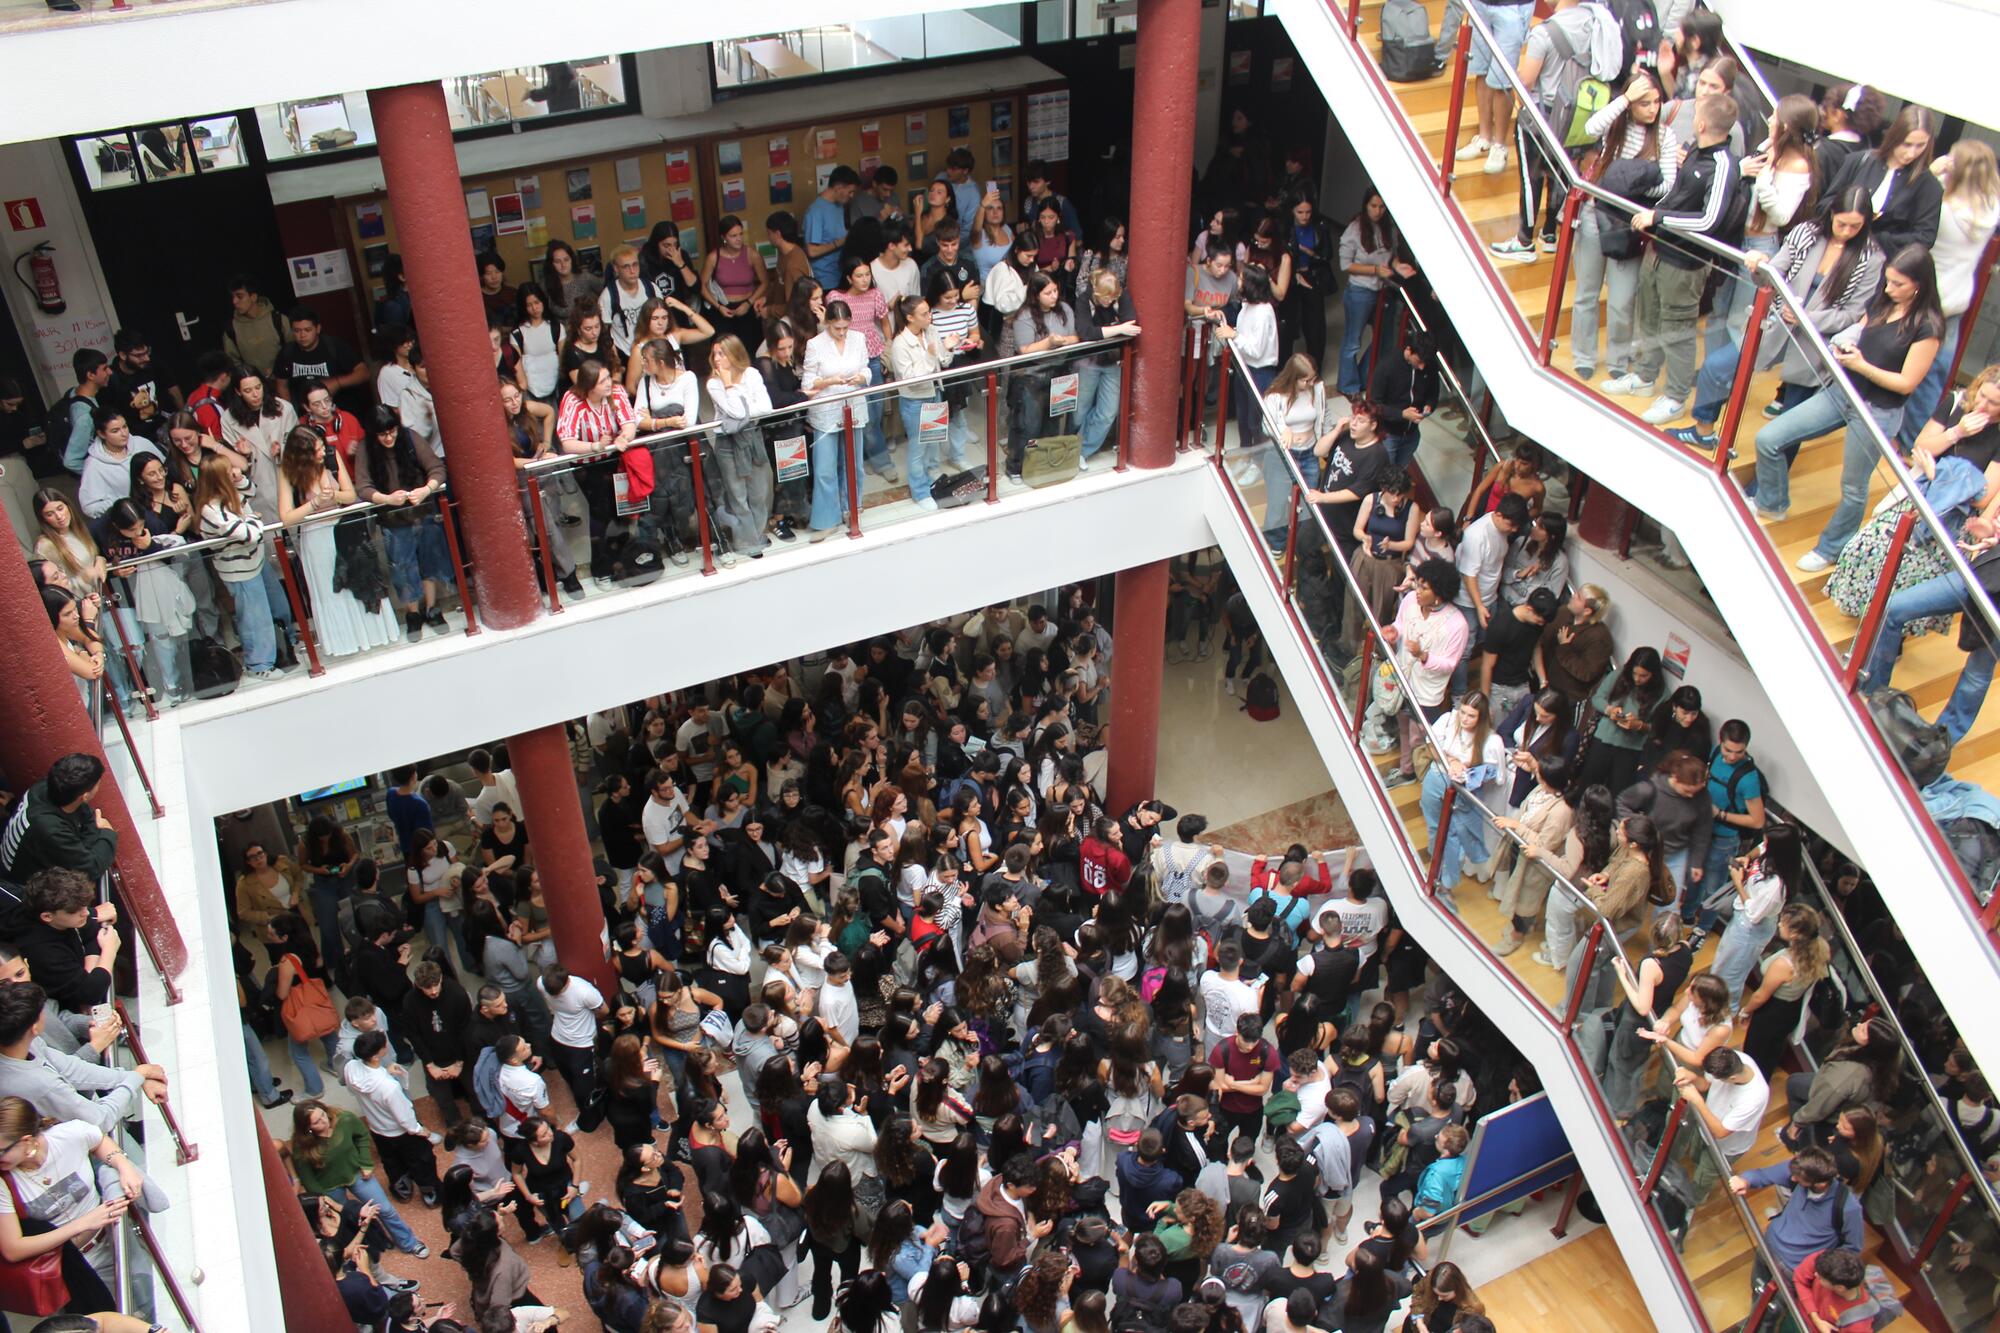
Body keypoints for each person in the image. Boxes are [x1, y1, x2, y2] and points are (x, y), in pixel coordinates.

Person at [1755, 244, 1944, 570]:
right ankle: (1773, 503)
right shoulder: (1884, 302)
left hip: (1878, 411)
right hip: (1842, 392)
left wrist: (1860, 365)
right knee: (1769, 438)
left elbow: (1906, 383)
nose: (1889, 289)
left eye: (1898, 284)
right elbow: (1861, 328)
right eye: (1888, 281)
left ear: (1919, 284)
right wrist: (1846, 341)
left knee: (1854, 487)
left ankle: (1831, 548)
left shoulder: (1927, 327)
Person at [1629, 93, 1742, 425]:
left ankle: (1676, 397)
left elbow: (1709, 220)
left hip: (1685, 262)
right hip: (1660, 251)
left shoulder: (1723, 165)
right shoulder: (1695, 150)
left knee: (1677, 330)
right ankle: (1646, 376)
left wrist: (1659, 218)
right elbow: (1678, 196)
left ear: (1703, 122)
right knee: (1648, 315)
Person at [0, 755, 117, 886]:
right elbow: (90, 869)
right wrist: (107, 833)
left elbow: (87, 816)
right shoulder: (50, 829)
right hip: (19, 883)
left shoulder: (44, 788)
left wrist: (84, 846)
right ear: (85, 796)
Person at [1336, 190, 1399, 398]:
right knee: (1353, 340)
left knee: (1384, 340)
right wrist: (1374, 270)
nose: (1378, 211)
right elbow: (1345, 265)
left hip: (1383, 290)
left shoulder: (1388, 228)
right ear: (1366, 206)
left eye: (1381, 207)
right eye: (1373, 206)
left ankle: (1365, 378)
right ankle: (1348, 385)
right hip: (1360, 291)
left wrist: (1398, 266)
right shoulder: (1354, 230)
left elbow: (1392, 256)